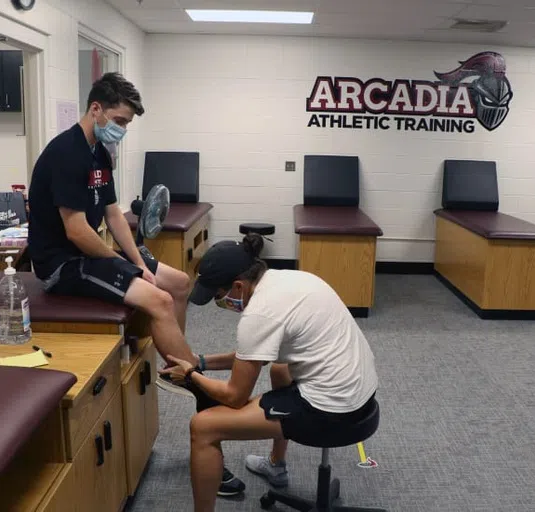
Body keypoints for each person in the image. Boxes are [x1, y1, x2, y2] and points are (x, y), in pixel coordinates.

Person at [26, 72, 245, 496]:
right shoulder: (67, 153)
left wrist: (135, 260)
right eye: (121, 121)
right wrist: (123, 265)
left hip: (92, 251)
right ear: (97, 109)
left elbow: (111, 216)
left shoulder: (99, 153)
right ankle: (201, 392)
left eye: (127, 124)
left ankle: (173, 366)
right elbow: (76, 231)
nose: (123, 130)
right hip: (63, 265)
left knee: (178, 282)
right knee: (160, 301)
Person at [160, 234, 379, 512]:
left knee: (204, 427)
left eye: (218, 296)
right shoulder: (288, 279)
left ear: (238, 286)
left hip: (333, 410)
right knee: (280, 369)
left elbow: (235, 396)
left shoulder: (259, 316)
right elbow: (256, 356)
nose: (220, 303)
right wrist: (201, 362)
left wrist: (191, 375)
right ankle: (276, 467)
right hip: (361, 391)